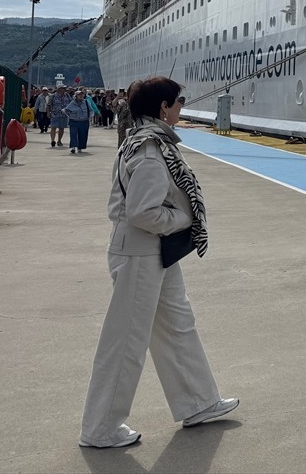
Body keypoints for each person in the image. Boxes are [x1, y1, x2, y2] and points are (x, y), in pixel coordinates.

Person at [79, 77, 238, 448]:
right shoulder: (151, 152)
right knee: (126, 342)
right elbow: (142, 212)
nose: (182, 106)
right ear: (163, 108)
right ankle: (100, 428)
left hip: (151, 253)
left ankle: (198, 402)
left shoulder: (141, 141)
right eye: (178, 101)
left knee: (178, 325)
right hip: (140, 252)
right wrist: (184, 220)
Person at [64, 88, 92, 154]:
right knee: (73, 134)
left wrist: (90, 116)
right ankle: (73, 147)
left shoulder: (86, 102)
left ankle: (80, 147)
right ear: (76, 96)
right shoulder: (72, 103)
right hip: (74, 121)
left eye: (82, 94)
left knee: (83, 135)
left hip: (84, 121)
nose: (81, 96)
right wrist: (70, 116)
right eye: (79, 95)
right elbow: (66, 110)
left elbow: (91, 110)